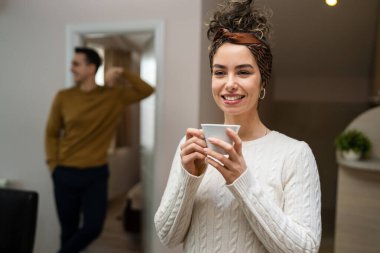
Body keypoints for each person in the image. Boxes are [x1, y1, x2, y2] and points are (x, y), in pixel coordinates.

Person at [154, 1, 321, 252]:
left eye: (243, 72)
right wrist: (189, 179)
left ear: (262, 80)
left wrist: (242, 181)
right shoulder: (192, 147)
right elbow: (167, 238)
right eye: (220, 73)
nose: (230, 84)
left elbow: (305, 249)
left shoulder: (295, 154)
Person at [45, 47, 154, 253]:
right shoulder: (64, 97)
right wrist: (53, 165)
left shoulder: (113, 96)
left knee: (93, 227)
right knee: (68, 230)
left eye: (76, 64)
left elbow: (147, 90)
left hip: (95, 174)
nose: (71, 68)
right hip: (65, 173)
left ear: (91, 67)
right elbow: (51, 133)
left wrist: (122, 71)